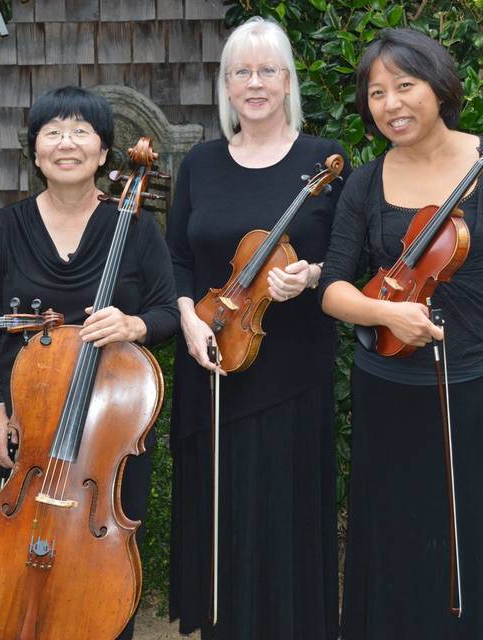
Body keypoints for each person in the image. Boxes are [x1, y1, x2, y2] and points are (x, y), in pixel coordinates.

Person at [318, 28, 483, 640]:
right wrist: (387, 315)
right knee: (392, 529)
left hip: (471, 384)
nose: (392, 104)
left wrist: (476, 324)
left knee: (466, 532)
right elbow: (334, 290)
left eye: (405, 86)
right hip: (385, 386)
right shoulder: (366, 182)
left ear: (440, 86)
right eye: (377, 93)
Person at [0, 85, 179, 639]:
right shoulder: (5, 229)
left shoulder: (134, 226)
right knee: (13, 570)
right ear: (35, 152)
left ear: (104, 152)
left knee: (100, 576)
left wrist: (134, 325)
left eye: (81, 131)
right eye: (53, 132)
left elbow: (167, 312)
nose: (67, 143)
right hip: (28, 430)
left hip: (109, 436)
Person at [165, 16, 349, 640]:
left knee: (285, 512)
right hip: (212, 358)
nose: (254, 82)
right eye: (240, 71)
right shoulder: (201, 163)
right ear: (225, 84)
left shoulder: (323, 161)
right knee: (224, 517)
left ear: (288, 79)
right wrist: (188, 319)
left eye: (267, 70)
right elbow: (177, 259)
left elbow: (352, 261)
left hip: (292, 367)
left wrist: (313, 274)